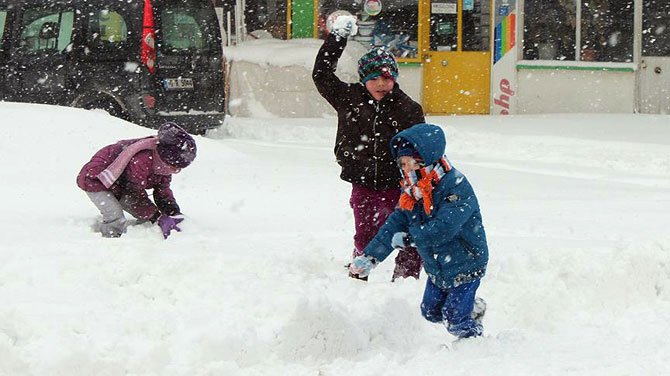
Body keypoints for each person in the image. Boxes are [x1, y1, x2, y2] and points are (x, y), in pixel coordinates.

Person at [312, 14, 426, 281]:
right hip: (362, 180)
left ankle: (406, 281)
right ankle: (359, 274)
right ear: (363, 79)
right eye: (374, 78)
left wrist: (419, 182)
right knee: (366, 233)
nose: (381, 84)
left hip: (399, 184)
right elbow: (322, 74)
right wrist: (337, 38)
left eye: (387, 78)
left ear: (395, 78)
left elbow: (422, 149)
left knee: (408, 234)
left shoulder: (408, 109)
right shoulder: (348, 98)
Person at [349, 123, 489, 339]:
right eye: (401, 163)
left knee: (454, 319)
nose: (404, 168)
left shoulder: (455, 186)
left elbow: (445, 228)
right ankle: (471, 308)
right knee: (430, 312)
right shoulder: (413, 189)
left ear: (424, 158)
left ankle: (474, 339)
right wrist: (370, 257)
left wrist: (410, 239)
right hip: (437, 265)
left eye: (408, 162)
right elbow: (395, 224)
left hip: (466, 261)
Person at [77, 122, 196, 239]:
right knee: (115, 216)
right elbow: (133, 195)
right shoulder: (142, 160)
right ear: (165, 158)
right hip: (97, 179)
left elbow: (162, 189)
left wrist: (173, 211)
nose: (176, 171)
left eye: (180, 168)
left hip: (121, 185)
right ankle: (110, 241)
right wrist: (157, 216)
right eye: (174, 167)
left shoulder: (163, 165)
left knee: (145, 216)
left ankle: (141, 235)